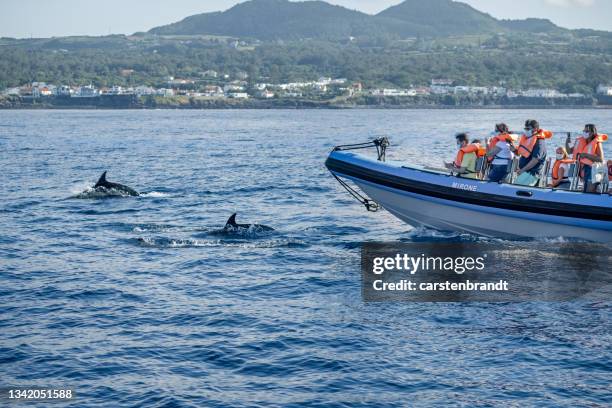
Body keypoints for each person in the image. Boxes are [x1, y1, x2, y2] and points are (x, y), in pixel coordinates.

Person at [566, 124, 606, 193]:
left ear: (592, 132)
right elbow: (569, 151)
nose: (584, 132)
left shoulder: (597, 143)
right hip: (583, 169)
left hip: (593, 170)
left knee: (589, 192)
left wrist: (586, 155)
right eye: (584, 130)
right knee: (585, 191)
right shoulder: (581, 141)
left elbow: (601, 159)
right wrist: (567, 140)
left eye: (586, 131)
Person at [510, 119, 550, 186]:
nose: (526, 130)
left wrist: (522, 169)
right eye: (525, 128)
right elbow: (523, 153)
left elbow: (535, 159)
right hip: (525, 173)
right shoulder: (528, 140)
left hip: (532, 174)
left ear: (535, 129)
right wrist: (514, 150)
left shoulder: (539, 142)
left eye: (528, 128)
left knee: (518, 188)